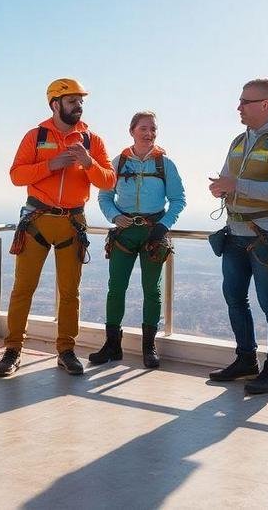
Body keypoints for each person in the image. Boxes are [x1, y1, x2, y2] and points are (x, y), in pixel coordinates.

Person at [0, 78, 115, 377]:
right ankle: (12, 350)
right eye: (73, 100)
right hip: (37, 220)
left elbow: (109, 181)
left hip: (72, 223)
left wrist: (88, 163)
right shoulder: (35, 136)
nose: (79, 105)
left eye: (80, 101)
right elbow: (16, 175)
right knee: (23, 289)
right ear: (55, 104)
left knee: (69, 292)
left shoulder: (92, 141)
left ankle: (66, 350)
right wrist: (51, 165)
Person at [207, 79, 268, 395]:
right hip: (234, 232)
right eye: (240, 100)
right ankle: (246, 360)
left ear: (266, 105)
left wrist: (236, 186)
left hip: (267, 235)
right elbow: (228, 179)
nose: (239, 107)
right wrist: (220, 187)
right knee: (234, 298)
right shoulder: (238, 140)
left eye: (246, 101)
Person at [91, 111, 186, 368]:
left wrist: (164, 225)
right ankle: (112, 346)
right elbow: (104, 197)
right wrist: (113, 216)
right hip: (124, 233)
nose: (149, 133)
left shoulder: (165, 164)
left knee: (152, 291)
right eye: (143, 128)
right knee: (116, 289)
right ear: (132, 131)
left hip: (153, 232)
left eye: (153, 129)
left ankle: (149, 347)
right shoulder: (118, 163)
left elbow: (178, 200)